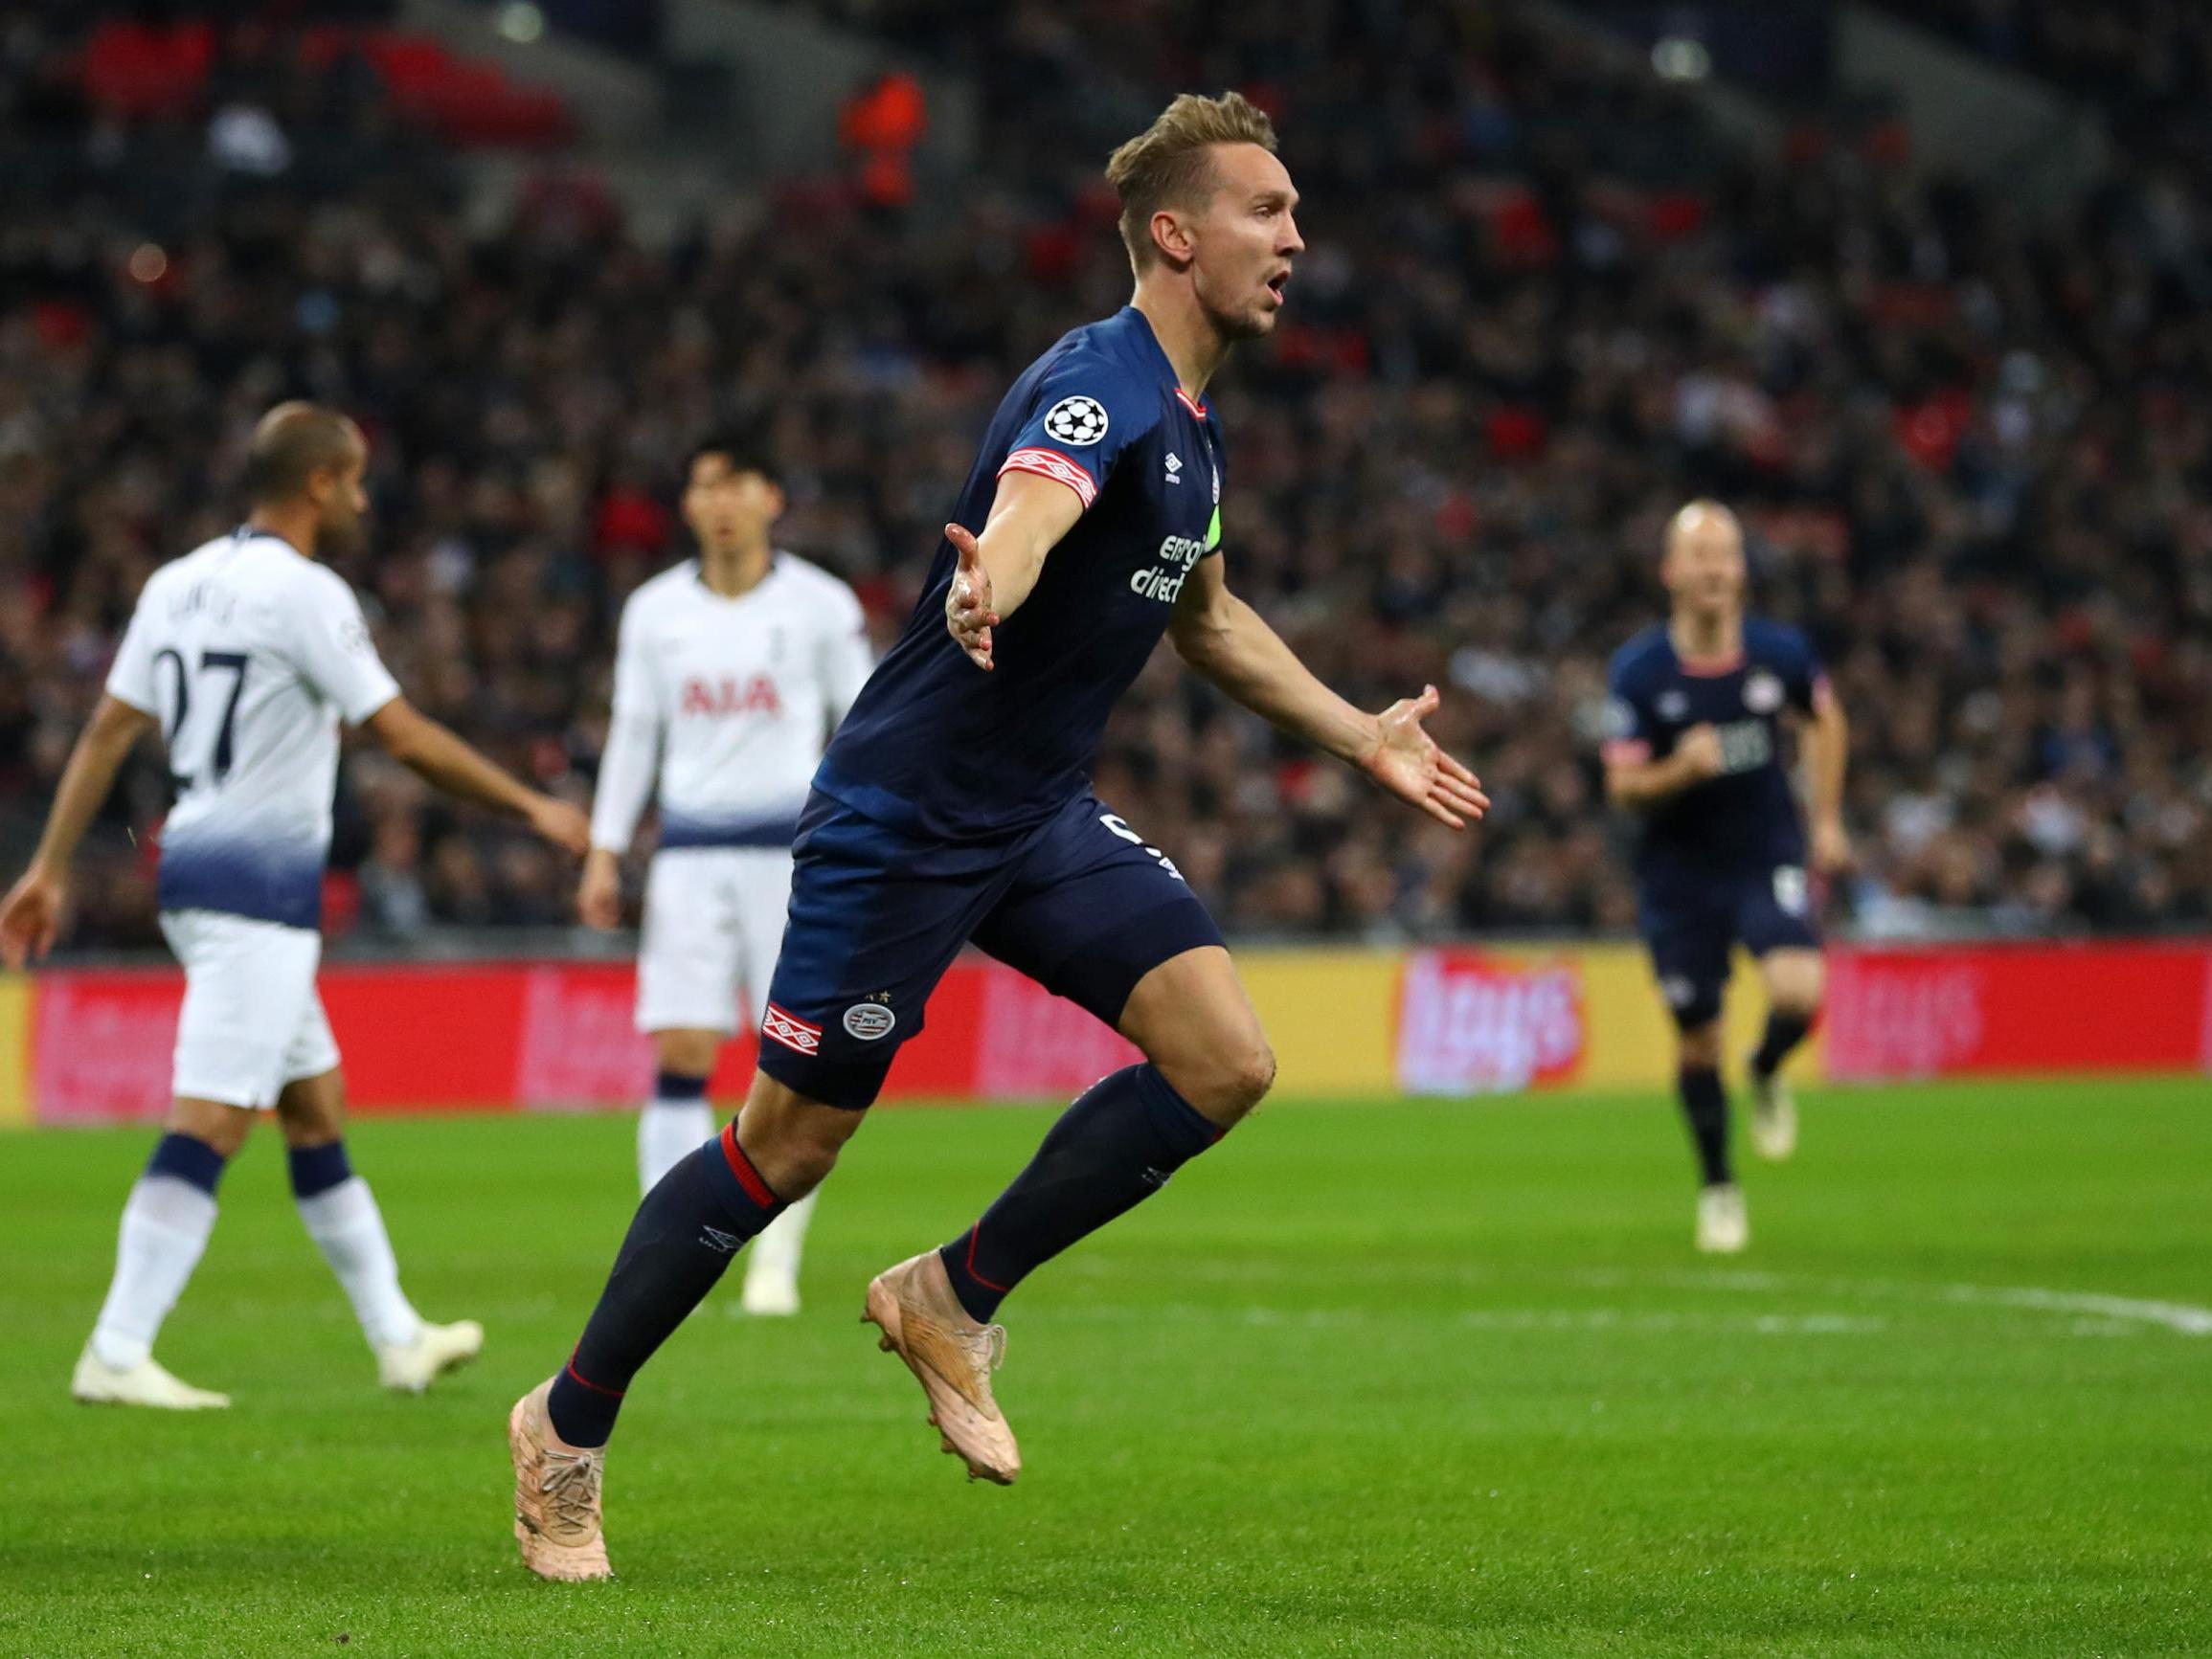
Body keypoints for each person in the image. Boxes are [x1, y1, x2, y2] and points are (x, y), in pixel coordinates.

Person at [506, 89, 1490, 1581]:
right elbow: (1034, 503)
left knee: (1224, 1058)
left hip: (1031, 816)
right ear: (1175, 234)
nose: (1296, 237)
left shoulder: (1195, 433)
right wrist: (992, 584)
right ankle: (564, 1429)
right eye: (1265, 212)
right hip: (902, 818)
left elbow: (1207, 622)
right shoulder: (1096, 390)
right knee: (789, 1146)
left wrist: (1358, 732)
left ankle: (951, 1297)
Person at [0, 402, 591, 1407]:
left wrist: (50, 866)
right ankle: (116, 1342)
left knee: (315, 1107)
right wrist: (533, 804)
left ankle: (397, 1334)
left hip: (197, 868)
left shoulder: (175, 583)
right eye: (355, 480)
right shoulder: (306, 592)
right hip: (254, 891)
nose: (363, 498)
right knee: (216, 1119)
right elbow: (400, 733)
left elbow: (105, 730)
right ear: (320, 481)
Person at [578, 434, 872, 1315]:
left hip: (795, 855)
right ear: (691, 504)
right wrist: (603, 846)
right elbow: (635, 733)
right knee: (683, 1050)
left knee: (793, 1066)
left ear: (772, 498)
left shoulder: (821, 605)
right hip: (690, 856)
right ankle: (668, 1248)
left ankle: (773, 1262)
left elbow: (862, 721)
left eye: (739, 483)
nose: (723, 501)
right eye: (706, 485)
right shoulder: (654, 611)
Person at [1601, 501, 1851, 1253]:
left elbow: (1827, 720)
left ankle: (1768, 1066)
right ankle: (1718, 1180)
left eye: (1727, 555)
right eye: (1699, 556)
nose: (1714, 569)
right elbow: (1622, 786)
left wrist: (1828, 817)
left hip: (1764, 853)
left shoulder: (1780, 653)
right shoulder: (1640, 671)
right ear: (1671, 573)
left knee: (1800, 991)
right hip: (1679, 875)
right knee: (1697, 1039)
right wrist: (1681, 767)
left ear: (1742, 571)